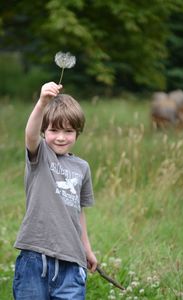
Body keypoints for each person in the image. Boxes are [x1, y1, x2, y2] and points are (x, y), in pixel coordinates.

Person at [13, 81, 98, 300]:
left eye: (68, 131)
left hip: (71, 262)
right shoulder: (40, 155)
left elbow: (78, 212)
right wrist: (42, 103)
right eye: (53, 130)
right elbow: (30, 135)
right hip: (34, 258)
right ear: (44, 131)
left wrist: (86, 249)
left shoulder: (82, 167)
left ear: (77, 133)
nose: (61, 137)